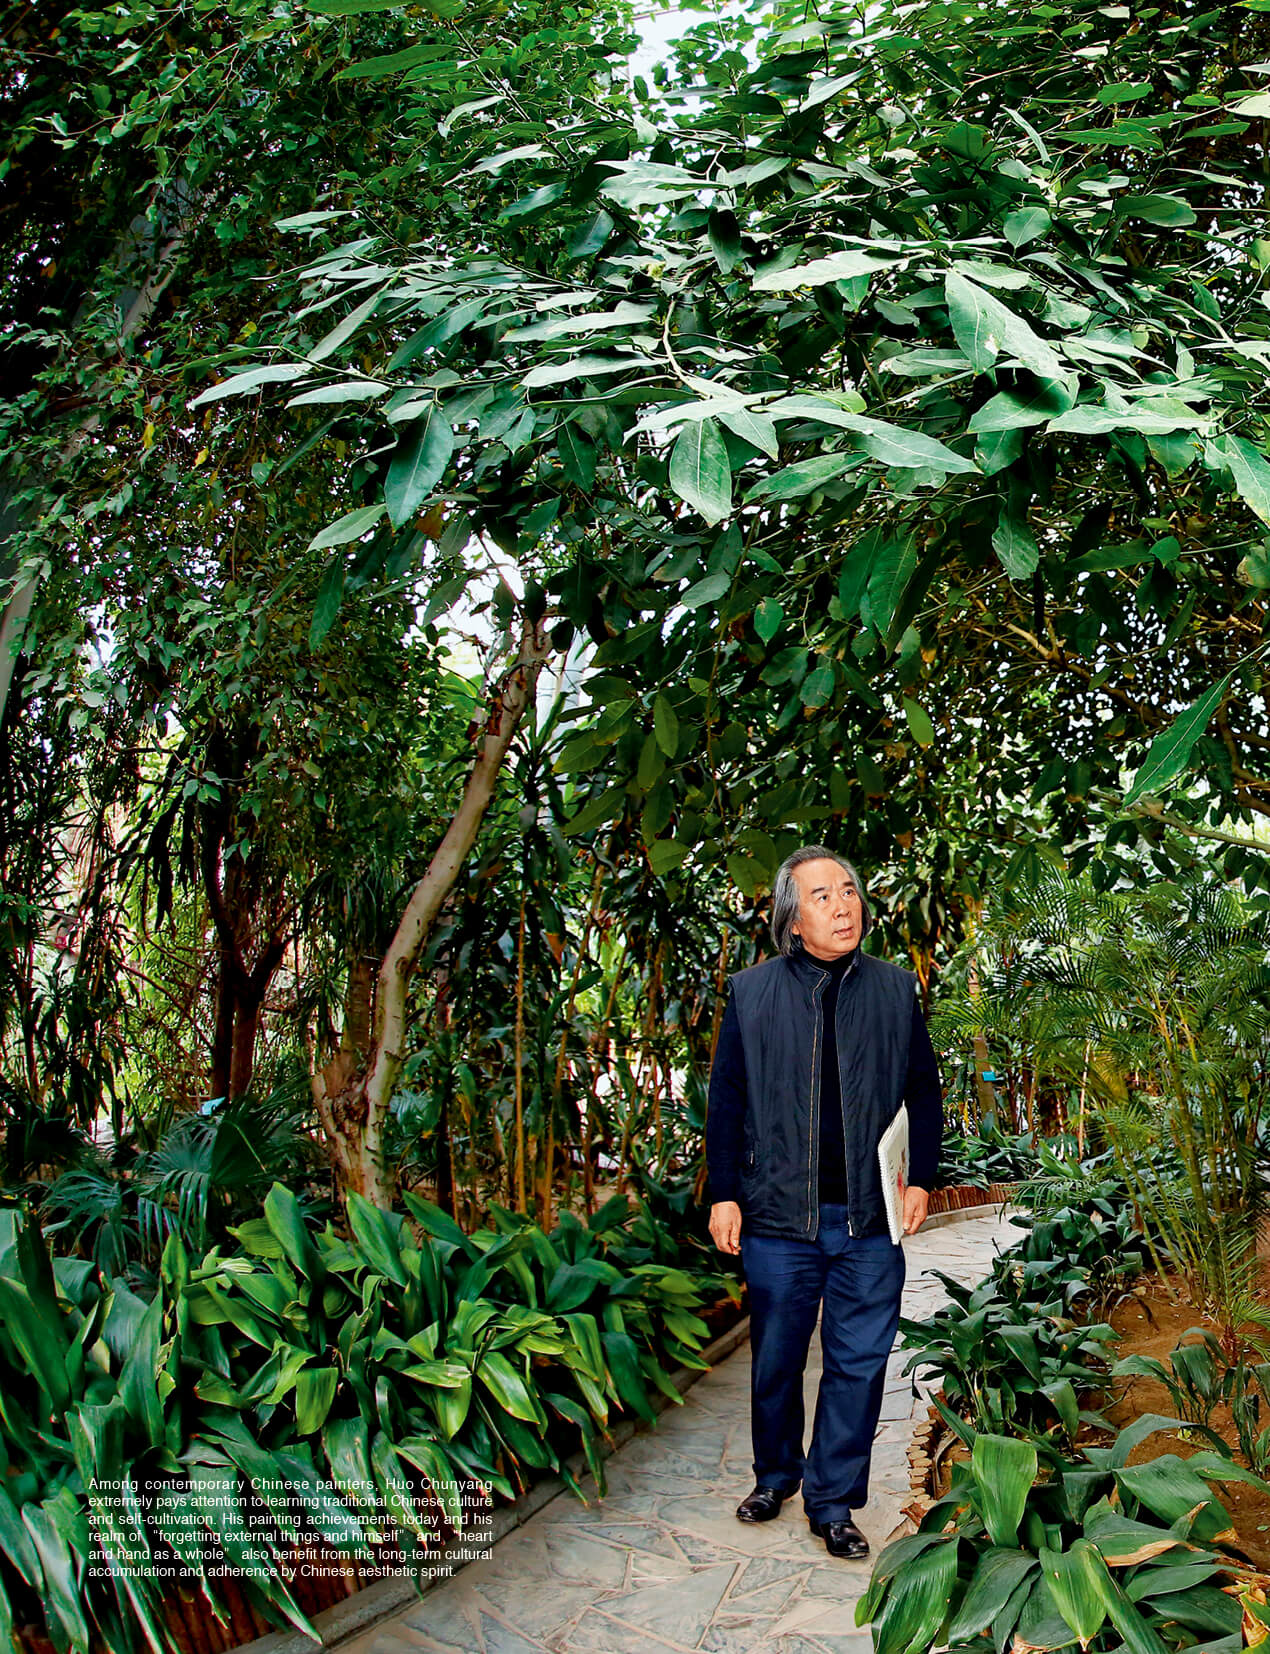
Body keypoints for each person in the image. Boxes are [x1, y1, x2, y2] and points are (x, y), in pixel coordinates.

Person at [705, 846, 943, 1561]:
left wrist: (922, 1180)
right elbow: (727, 1100)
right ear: (792, 919)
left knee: (858, 1364)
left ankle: (833, 1502)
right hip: (778, 1219)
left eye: (849, 891)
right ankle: (775, 1475)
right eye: (823, 896)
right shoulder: (752, 993)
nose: (844, 907)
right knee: (777, 1359)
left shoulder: (895, 990)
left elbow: (924, 1091)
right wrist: (724, 1192)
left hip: (868, 1220)